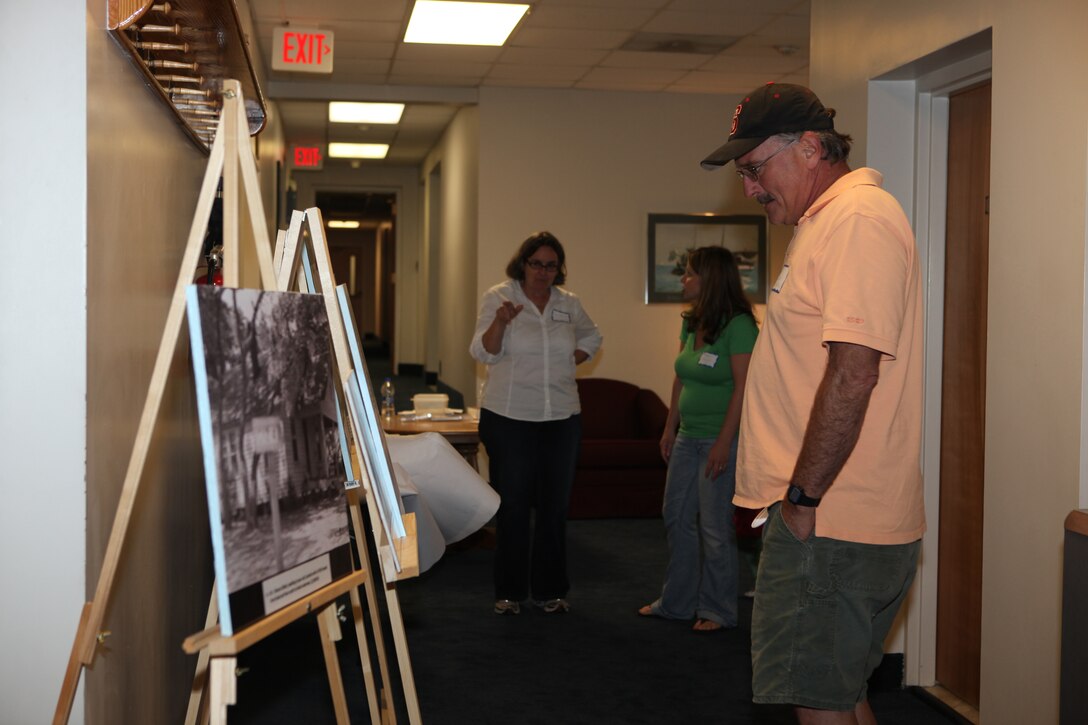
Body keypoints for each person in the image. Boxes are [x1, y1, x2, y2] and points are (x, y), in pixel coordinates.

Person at [701, 82, 925, 724]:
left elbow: (853, 376)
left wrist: (801, 500)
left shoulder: (856, 222)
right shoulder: (828, 223)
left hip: (830, 520)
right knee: (840, 694)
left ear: (807, 146)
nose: (748, 188)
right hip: (833, 519)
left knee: (817, 705)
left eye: (753, 168)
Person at [470, 231, 602, 616]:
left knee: (554, 507)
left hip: (561, 418)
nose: (543, 272)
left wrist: (567, 360)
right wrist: (500, 322)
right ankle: (509, 593)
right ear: (522, 264)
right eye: (536, 263)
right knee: (512, 507)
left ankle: (550, 591)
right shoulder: (499, 297)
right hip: (510, 417)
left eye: (551, 265)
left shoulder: (568, 303)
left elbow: (593, 336)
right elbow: (483, 352)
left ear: (559, 268)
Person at [638, 246, 757, 633]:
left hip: (719, 440)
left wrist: (725, 442)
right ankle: (676, 602)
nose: (684, 280)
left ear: (710, 279)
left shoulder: (741, 325)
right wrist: (669, 426)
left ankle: (718, 610)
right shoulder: (691, 322)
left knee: (714, 528)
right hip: (688, 438)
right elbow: (681, 377)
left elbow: (743, 388)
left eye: (689, 274)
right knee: (675, 517)